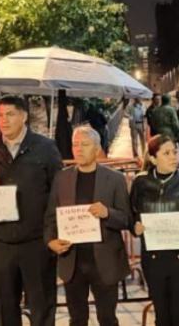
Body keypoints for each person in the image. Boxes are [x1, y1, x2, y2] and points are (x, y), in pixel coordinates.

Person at [0, 95, 64, 326]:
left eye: (10, 114)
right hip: (1, 242)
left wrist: (53, 233)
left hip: (37, 242)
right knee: (4, 310)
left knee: (42, 307)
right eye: (0, 115)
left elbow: (59, 192)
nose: (3, 120)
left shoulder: (45, 148)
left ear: (24, 116)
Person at [44, 126, 130, 326]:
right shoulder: (61, 178)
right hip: (72, 260)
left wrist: (108, 213)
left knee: (107, 318)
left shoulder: (115, 179)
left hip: (105, 261)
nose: (79, 149)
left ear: (97, 148)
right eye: (75, 145)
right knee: (77, 319)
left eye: (85, 144)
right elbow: (50, 217)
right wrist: (51, 241)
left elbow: (127, 219)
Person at [130, 135, 179, 326]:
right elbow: (130, 214)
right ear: (154, 158)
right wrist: (134, 226)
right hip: (154, 258)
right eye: (166, 153)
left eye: (175, 152)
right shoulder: (140, 183)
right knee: (162, 317)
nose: (173, 157)